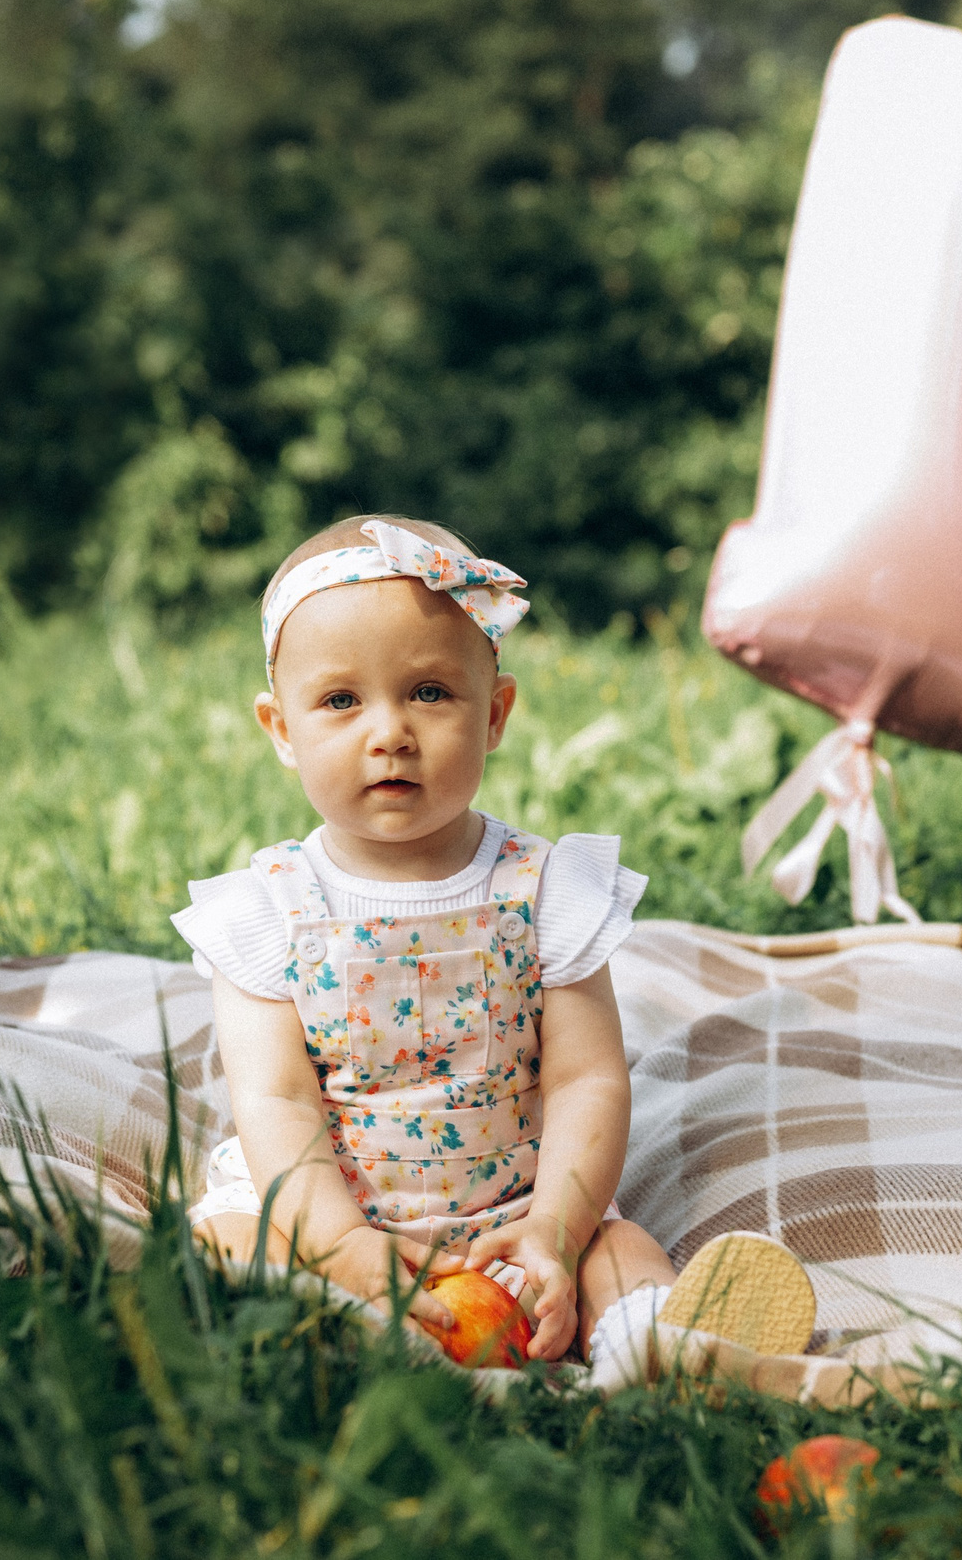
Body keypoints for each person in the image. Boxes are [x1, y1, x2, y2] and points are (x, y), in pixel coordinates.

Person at [173, 514, 823, 1388]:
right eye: (340, 701)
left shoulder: (546, 887)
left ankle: (656, 1342)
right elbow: (276, 1100)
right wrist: (337, 1241)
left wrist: (555, 1226)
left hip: (509, 1212)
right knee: (226, 1240)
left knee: (617, 1247)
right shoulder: (264, 909)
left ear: (496, 714)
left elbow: (585, 1079)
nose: (390, 732)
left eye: (431, 693)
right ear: (281, 728)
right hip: (328, 1208)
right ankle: (328, 1323)